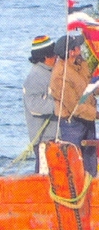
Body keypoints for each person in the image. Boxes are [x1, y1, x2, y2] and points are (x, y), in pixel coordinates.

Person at [49, 34, 99, 176]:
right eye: (78, 46)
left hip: (88, 120)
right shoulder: (59, 76)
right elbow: (75, 108)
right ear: (71, 52)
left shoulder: (81, 63)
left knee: (91, 161)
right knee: (74, 164)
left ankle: (91, 189)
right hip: (71, 123)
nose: (81, 48)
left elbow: (91, 86)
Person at [22, 35, 58, 173]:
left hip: (54, 138)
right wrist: (58, 106)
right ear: (44, 57)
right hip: (44, 140)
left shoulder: (50, 72)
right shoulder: (35, 77)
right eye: (53, 54)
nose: (56, 57)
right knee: (44, 176)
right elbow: (34, 105)